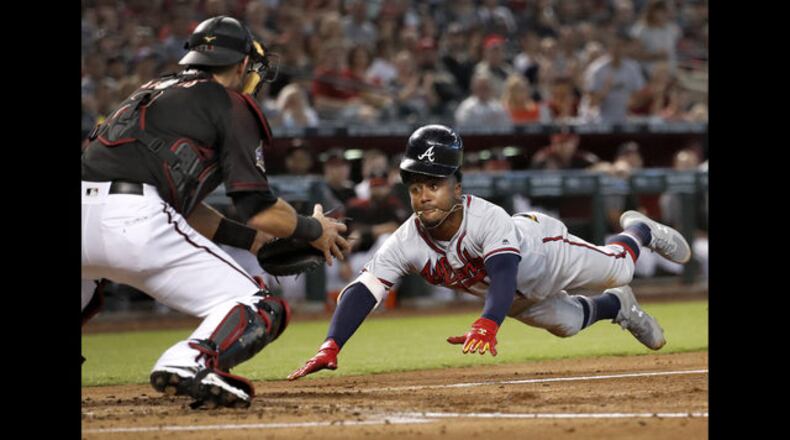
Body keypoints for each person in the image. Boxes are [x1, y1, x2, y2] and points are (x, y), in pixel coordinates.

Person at [81, 16, 350, 408]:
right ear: (242, 64)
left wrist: (251, 241)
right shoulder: (231, 102)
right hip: (134, 221)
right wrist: (313, 228)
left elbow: (179, 204)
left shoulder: (152, 89)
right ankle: (190, 360)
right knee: (259, 305)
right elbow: (256, 206)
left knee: (87, 290)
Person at [287, 124, 691, 380]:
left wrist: (488, 322)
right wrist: (331, 344)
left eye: (435, 185)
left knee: (619, 269)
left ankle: (640, 229)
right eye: (416, 187)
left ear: (458, 188)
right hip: (509, 298)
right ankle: (618, 309)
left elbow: (502, 274)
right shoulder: (406, 240)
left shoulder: (487, 218)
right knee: (568, 324)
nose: (423, 196)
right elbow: (364, 289)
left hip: (543, 253)